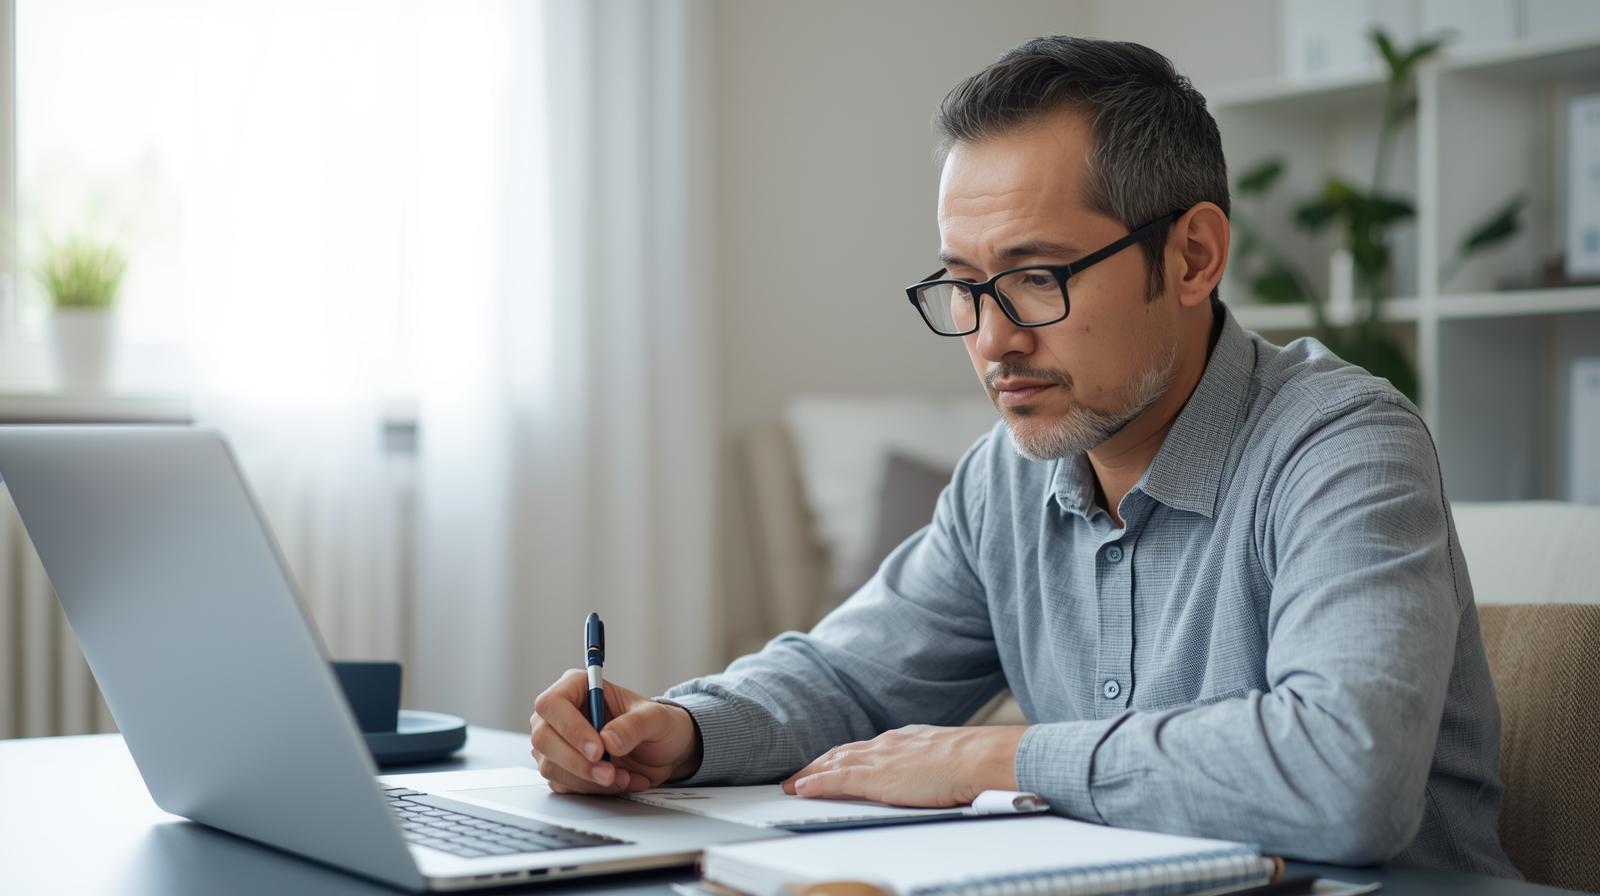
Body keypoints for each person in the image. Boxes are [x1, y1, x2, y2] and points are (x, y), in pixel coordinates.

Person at [529, 36, 1517, 876]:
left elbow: (1345, 773)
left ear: (1191, 257)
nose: (991, 340)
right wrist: (682, 730)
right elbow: (850, 682)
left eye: (1035, 277)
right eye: (962, 285)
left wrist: (999, 757)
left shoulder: (1341, 445)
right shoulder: (1006, 478)